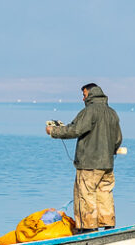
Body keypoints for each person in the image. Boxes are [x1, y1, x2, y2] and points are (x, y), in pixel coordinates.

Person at [46, 83, 122, 232]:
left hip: (88, 164)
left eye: (84, 95)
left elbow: (75, 129)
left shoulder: (89, 111)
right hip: (107, 164)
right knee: (104, 194)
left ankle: (88, 229)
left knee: (85, 196)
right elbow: (118, 138)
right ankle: (109, 226)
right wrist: (110, 152)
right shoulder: (112, 113)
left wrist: (53, 131)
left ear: (91, 94)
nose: (83, 98)